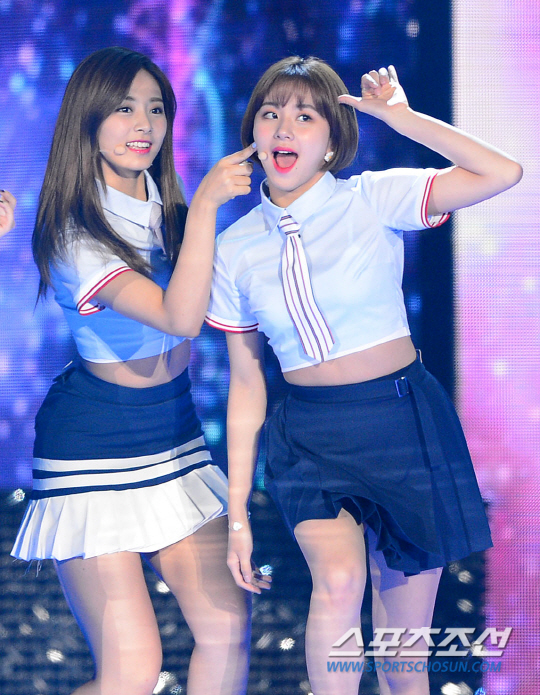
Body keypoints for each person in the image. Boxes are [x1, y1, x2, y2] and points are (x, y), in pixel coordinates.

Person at [205, 56, 522, 695]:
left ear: (332, 140)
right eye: (271, 114)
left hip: (403, 421)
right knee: (340, 580)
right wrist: (236, 514)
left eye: (305, 116)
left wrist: (401, 118)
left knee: (405, 662)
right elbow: (247, 383)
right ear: (253, 134)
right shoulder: (234, 247)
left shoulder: (372, 197)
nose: (284, 128)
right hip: (310, 437)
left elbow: (502, 172)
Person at [11, 46, 270, 695]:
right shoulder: (75, 232)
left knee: (227, 626)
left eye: (156, 108)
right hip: (92, 453)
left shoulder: (169, 214)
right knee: (131, 672)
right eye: (125, 108)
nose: (144, 124)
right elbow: (179, 318)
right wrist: (207, 205)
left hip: (174, 436)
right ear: (90, 118)